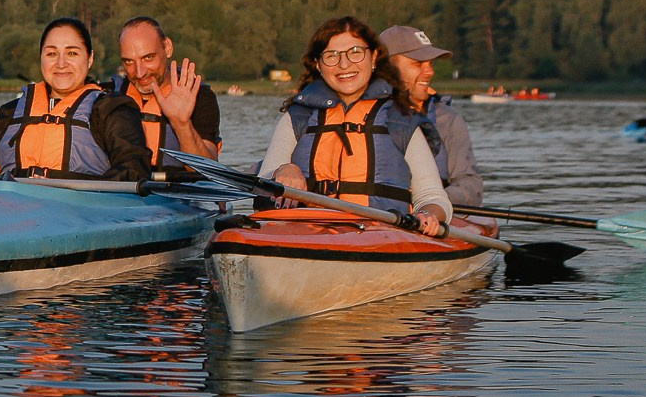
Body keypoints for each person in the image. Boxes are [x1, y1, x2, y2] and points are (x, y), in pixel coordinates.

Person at [263, 16, 451, 236]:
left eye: (355, 52)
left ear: (373, 57)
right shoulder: (297, 116)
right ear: (318, 65)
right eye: (331, 56)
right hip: (306, 233)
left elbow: (432, 196)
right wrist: (283, 169)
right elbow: (265, 181)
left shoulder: (400, 119)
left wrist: (427, 214)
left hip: (382, 236)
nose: (344, 65)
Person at [0, 18, 149, 199]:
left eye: (72, 53)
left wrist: (64, 186)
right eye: (52, 54)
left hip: (80, 216)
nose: (61, 63)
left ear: (90, 58)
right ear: (41, 58)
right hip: (11, 212)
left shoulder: (112, 109)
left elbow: (133, 170)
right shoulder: (12, 111)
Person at [380, 24, 483, 208]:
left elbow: (471, 186)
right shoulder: (365, 116)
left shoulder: (448, 120)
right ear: (387, 68)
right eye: (418, 63)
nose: (430, 71)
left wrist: (431, 200)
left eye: (431, 63)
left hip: (432, 215)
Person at [109, 16, 221, 178]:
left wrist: (181, 123)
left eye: (148, 58)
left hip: (178, 194)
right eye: (129, 62)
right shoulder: (109, 97)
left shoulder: (200, 97)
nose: (140, 73)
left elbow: (208, 172)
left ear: (167, 48)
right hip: (124, 195)